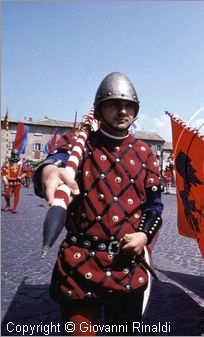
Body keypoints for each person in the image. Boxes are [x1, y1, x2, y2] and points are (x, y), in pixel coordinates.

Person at [33, 72, 164, 335]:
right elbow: (57, 161)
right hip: (80, 262)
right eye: (113, 104)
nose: (122, 110)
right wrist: (47, 172)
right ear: (100, 108)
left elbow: (155, 206)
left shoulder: (145, 153)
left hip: (126, 265)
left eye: (128, 105)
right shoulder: (78, 144)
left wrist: (143, 235)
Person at [2, 149, 26, 213]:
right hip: (8, 181)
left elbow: (26, 172)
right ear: (12, 155)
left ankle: (14, 208)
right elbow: (3, 171)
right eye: (14, 155)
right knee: (6, 194)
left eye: (16, 155)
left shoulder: (21, 163)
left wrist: (20, 176)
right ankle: (8, 204)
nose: (15, 156)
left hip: (17, 181)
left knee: (16, 194)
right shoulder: (7, 162)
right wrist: (4, 179)